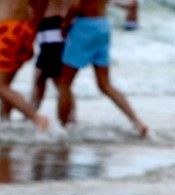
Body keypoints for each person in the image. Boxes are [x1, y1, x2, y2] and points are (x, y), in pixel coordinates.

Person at [56, 0, 149, 137]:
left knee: (64, 83)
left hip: (84, 27)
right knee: (105, 84)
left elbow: (76, 5)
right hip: (102, 25)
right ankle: (137, 122)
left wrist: (65, 23)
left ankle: (62, 129)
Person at [0, 0, 52, 129]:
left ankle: (36, 118)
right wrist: (35, 24)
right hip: (25, 27)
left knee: (0, 87)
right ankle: (5, 124)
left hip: (6, 30)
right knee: (6, 85)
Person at [31, 0, 68, 114]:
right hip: (49, 29)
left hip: (52, 27)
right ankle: (32, 113)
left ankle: (32, 114)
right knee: (43, 78)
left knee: (46, 78)